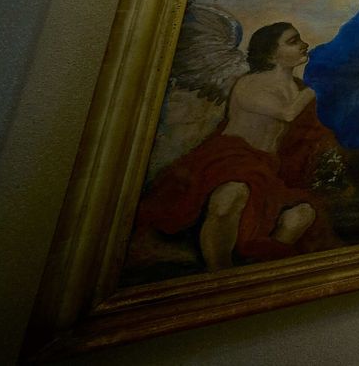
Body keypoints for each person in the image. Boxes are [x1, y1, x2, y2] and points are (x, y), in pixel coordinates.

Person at [134, 23, 342, 270]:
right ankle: (218, 272)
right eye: (293, 41)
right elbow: (287, 113)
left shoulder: (299, 89)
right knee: (231, 195)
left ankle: (257, 265)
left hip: (267, 168)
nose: (303, 45)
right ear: (270, 54)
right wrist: (317, 83)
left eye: (299, 39)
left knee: (302, 214)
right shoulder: (251, 84)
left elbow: (310, 131)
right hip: (231, 158)